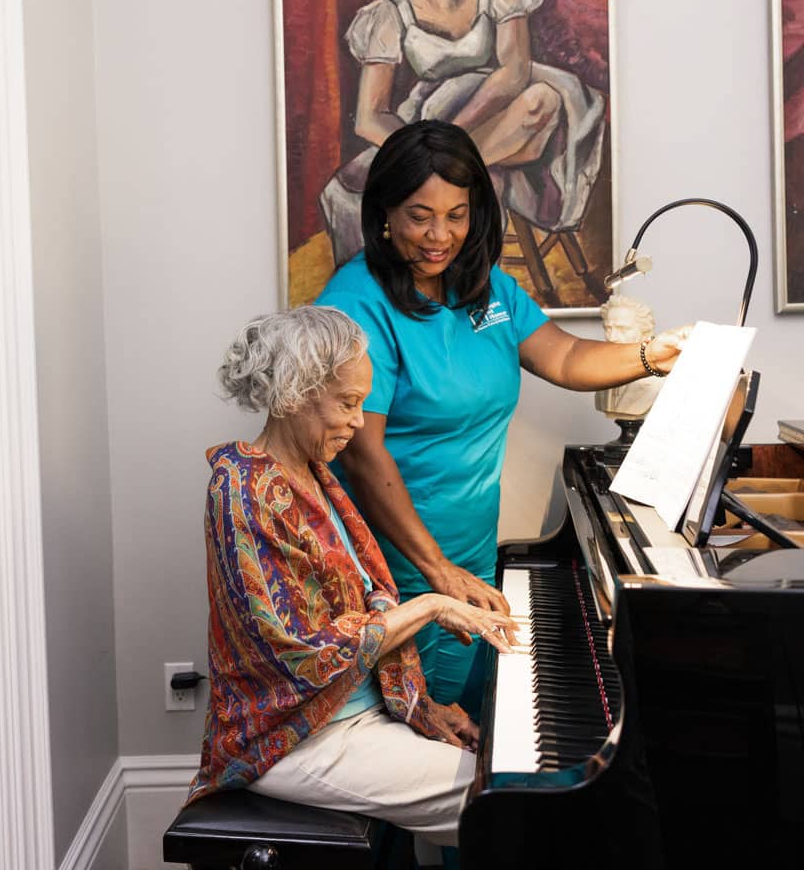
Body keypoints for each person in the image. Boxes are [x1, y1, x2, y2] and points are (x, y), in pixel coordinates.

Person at [317, 119, 689, 718]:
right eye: (419, 216)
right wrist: (436, 571)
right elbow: (364, 453)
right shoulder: (355, 305)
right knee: (424, 733)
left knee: (470, 725)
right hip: (401, 568)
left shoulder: (485, 288)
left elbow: (564, 355)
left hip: (471, 554)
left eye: (457, 215)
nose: (440, 236)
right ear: (384, 211)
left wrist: (652, 356)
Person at [186, 306, 519, 849]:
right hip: (296, 740)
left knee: (508, 774)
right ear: (295, 392)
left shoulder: (315, 476)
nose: (359, 422)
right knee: (509, 808)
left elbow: (359, 610)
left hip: (355, 718)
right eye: (347, 402)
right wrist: (433, 605)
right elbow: (299, 653)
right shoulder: (242, 490)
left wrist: (423, 706)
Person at [319, 0, 605, 269]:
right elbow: (369, 117)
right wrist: (422, 143)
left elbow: (514, 70)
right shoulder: (391, 13)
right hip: (434, 112)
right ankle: (456, 181)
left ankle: (438, 180)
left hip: (494, 101)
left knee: (542, 102)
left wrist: (447, 138)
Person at [595, 295, 665, 419]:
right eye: (608, 328)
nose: (612, 337)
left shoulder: (658, 382)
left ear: (645, 332)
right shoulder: (601, 377)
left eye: (623, 329)